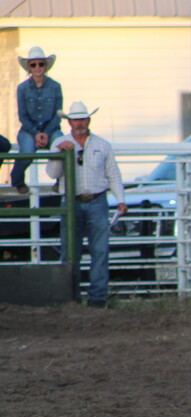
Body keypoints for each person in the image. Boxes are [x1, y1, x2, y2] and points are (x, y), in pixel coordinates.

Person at [45, 101, 127, 308]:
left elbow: (113, 174)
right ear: (69, 122)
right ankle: (70, 296)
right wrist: (59, 155)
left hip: (97, 199)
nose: (79, 123)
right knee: (71, 251)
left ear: (88, 120)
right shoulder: (60, 143)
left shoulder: (102, 145)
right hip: (72, 201)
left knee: (100, 250)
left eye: (82, 119)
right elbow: (53, 174)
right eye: (76, 120)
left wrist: (121, 199)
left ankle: (96, 298)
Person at [13, 46, 63, 194]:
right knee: (27, 152)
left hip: (51, 128)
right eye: (33, 64)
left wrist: (46, 133)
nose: (37, 67)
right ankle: (18, 180)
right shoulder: (22, 88)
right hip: (29, 129)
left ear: (45, 66)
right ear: (29, 67)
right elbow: (22, 115)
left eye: (40, 64)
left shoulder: (55, 87)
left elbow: (58, 114)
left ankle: (60, 181)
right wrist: (36, 133)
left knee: (62, 147)